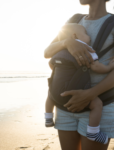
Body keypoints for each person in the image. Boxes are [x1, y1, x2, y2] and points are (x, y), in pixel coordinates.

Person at [44, 0, 114, 150]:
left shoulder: (112, 23)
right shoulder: (74, 20)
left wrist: (90, 94)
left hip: (98, 104)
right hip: (66, 104)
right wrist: (67, 42)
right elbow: (47, 52)